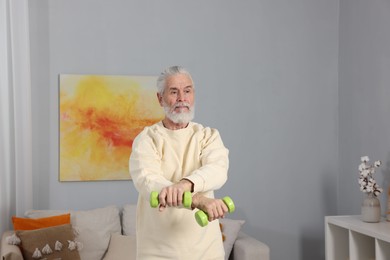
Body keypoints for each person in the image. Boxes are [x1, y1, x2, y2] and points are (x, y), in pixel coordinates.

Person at [129, 66, 230, 260]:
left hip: (207, 252)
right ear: (160, 98)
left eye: (187, 91)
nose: (182, 98)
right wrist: (198, 200)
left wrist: (184, 185)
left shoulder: (208, 136)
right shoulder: (147, 139)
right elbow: (148, 182)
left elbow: (217, 170)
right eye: (174, 92)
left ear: (193, 95)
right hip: (157, 252)